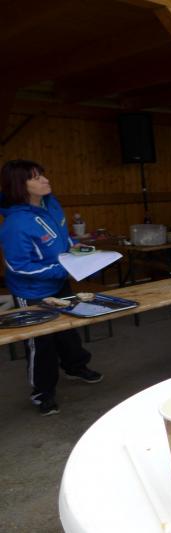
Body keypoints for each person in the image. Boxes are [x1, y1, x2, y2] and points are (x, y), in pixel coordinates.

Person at [0, 160, 102, 416]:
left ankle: (75, 366)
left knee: (68, 327)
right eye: (36, 178)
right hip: (32, 290)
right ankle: (42, 393)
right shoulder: (15, 224)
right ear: (20, 185)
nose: (45, 180)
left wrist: (74, 249)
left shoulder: (50, 203)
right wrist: (65, 268)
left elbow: (61, 233)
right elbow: (19, 267)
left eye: (43, 175)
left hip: (60, 280)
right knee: (41, 342)